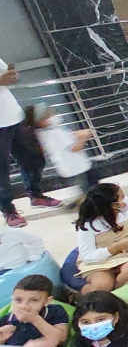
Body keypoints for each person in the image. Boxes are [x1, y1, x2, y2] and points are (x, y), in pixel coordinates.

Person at [2, 58, 62, 228]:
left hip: (14, 116)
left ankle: (36, 195)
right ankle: (8, 210)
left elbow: (7, 75)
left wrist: (11, 76)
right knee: (1, 171)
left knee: (34, 158)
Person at [74, 184, 128, 293]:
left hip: (124, 256)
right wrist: (114, 248)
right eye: (122, 196)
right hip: (98, 260)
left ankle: (114, 297)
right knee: (103, 284)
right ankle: (81, 298)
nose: (126, 199)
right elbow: (88, 256)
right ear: (112, 205)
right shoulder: (89, 224)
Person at [24, 104, 97, 200]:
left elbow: (68, 137)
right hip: (76, 167)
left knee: (86, 188)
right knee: (91, 190)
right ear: (41, 122)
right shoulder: (52, 134)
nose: (54, 115)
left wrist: (78, 134)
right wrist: (84, 137)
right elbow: (74, 148)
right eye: (49, 115)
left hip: (72, 167)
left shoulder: (45, 133)